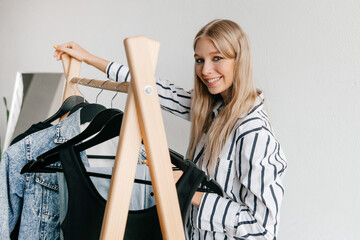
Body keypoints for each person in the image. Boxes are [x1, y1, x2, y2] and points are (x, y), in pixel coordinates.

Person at [54, 19, 287, 239]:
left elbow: (262, 229)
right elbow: (153, 89)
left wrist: (187, 189)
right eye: (199, 60)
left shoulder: (254, 133)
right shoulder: (212, 108)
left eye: (217, 58)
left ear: (240, 60)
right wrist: (88, 58)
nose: (205, 70)